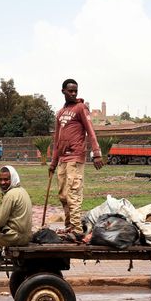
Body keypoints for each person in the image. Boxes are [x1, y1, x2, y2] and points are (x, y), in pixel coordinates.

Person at [48, 78, 103, 240]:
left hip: (75, 158)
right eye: (70, 91)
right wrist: (53, 163)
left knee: (73, 193)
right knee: (63, 195)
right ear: (63, 91)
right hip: (63, 160)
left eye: (75, 91)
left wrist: (97, 153)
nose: (73, 93)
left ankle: (77, 230)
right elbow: (57, 140)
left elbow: (90, 131)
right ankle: (69, 226)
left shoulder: (81, 108)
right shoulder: (60, 113)